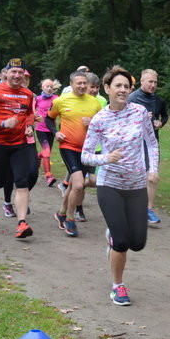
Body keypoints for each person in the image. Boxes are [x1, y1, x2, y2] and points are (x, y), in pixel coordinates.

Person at [81, 65, 159, 306]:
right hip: (110, 184)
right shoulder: (99, 119)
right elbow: (85, 156)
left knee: (138, 243)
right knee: (122, 241)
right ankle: (118, 286)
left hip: (136, 185)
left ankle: (113, 236)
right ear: (107, 89)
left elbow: (152, 144)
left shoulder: (140, 112)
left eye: (127, 86)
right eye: (118, 86)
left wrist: (153, 169)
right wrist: (106, 158)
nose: (123, 90)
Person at [0, 58, 38, 239]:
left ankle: (21, 223)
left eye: (20, 72)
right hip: (0, 144)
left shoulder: (27, 94)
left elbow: (29, 113)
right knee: (0, 181)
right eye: (13, 72)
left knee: (22, 182)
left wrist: (29, 124)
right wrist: (2, 123)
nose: (17, 75)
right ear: (6, 73)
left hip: (20, 145)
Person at [46, 71, 102, 237]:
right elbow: (48, 119)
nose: (83, 86)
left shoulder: (95, 103)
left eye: (85, 83)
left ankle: (62, 212)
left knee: (73, 185)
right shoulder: (61, 101)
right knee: (78, 184)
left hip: (87, 149)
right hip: (68, 147)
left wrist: (92, 123)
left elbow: (103, 124)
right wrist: (56, 133)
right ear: (71, 84)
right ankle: (70, 220)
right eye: (79, 83)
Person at [128, 68, 167, 224]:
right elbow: (123, 119)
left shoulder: (159, 100)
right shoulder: (132, 98)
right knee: (137, 176)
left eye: (155, 82)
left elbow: (164, 116)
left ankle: (148, 209)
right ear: (142, 81)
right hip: (134, 143)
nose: (153, 85)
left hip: (152, 143)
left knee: (153, 176)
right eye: (150, 81)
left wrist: (160, 123)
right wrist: (140, 118)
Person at [33, 78, 59, 186]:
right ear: (42, 87)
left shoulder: (57, 99)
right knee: (47, 152)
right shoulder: (38, 99)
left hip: (51, 130)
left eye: (51, 87)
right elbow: (31, 111)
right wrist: (34, 115)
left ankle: (38, 157)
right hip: (40, 129)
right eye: (47, 86)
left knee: (46, 153)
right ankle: (49, 176)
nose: (49, 88)